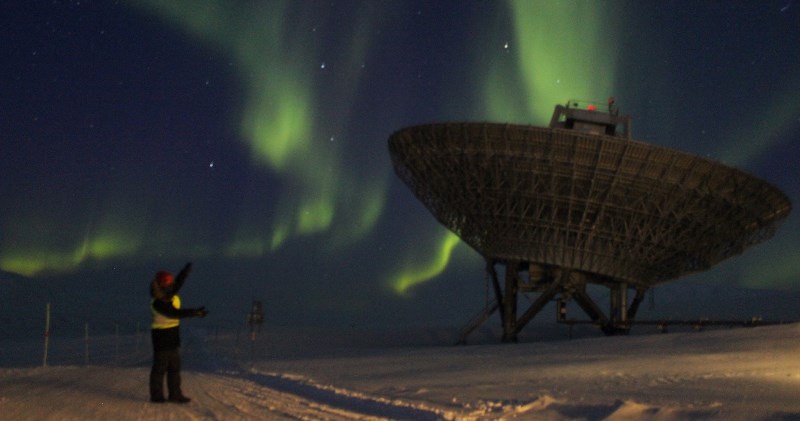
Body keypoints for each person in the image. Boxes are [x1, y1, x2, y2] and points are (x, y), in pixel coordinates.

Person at [149, 262, 208, 403]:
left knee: (175, 368)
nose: (170, 283)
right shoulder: (158, 302)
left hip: (172, 337)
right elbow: (173, 313)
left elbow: (178, 284)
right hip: (161, 337)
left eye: (170, 281)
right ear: (161, 283)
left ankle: (175, 394)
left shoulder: (168, 295)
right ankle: (157, 396)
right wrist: (194, 313)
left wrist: (184, 273)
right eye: (167, 281)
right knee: (160, 369)